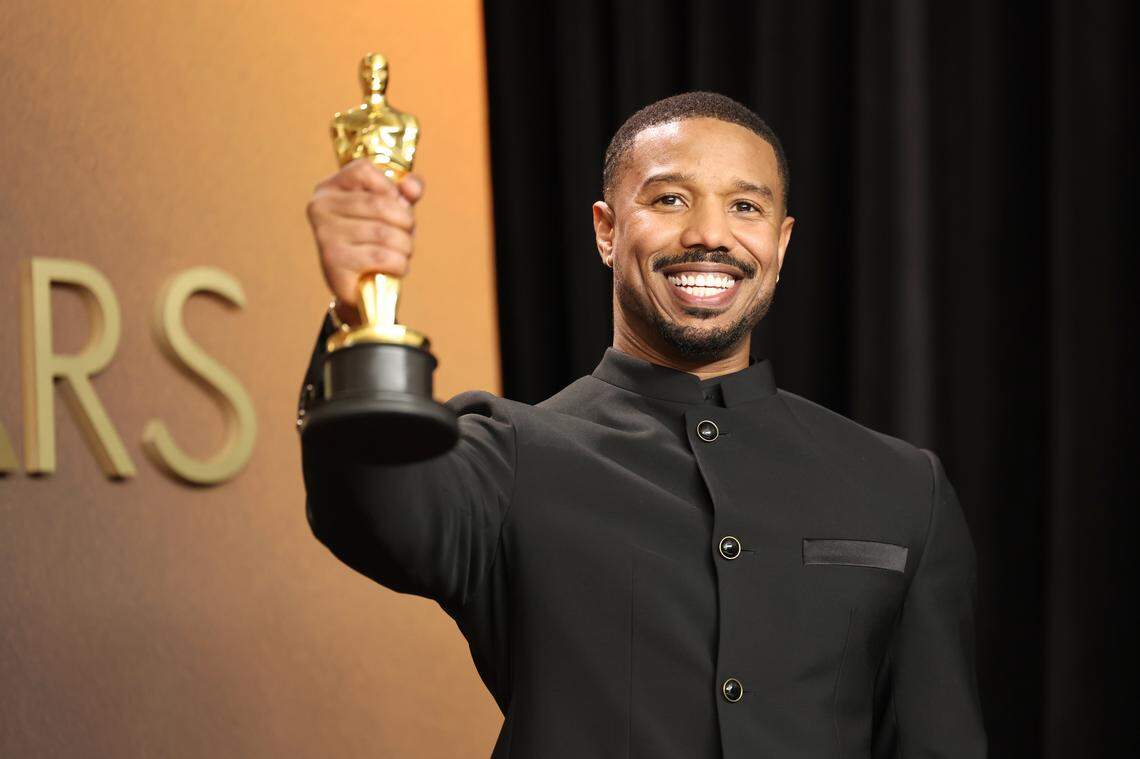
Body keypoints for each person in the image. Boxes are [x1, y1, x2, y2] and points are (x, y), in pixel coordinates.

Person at [298, 92, 986, 758]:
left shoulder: (902, 487)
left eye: (744, 206)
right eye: (669, 199)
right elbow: (367, 506)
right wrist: (361, 312)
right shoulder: (506, 454)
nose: (710, 234)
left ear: (780, 244)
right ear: (606, 229)